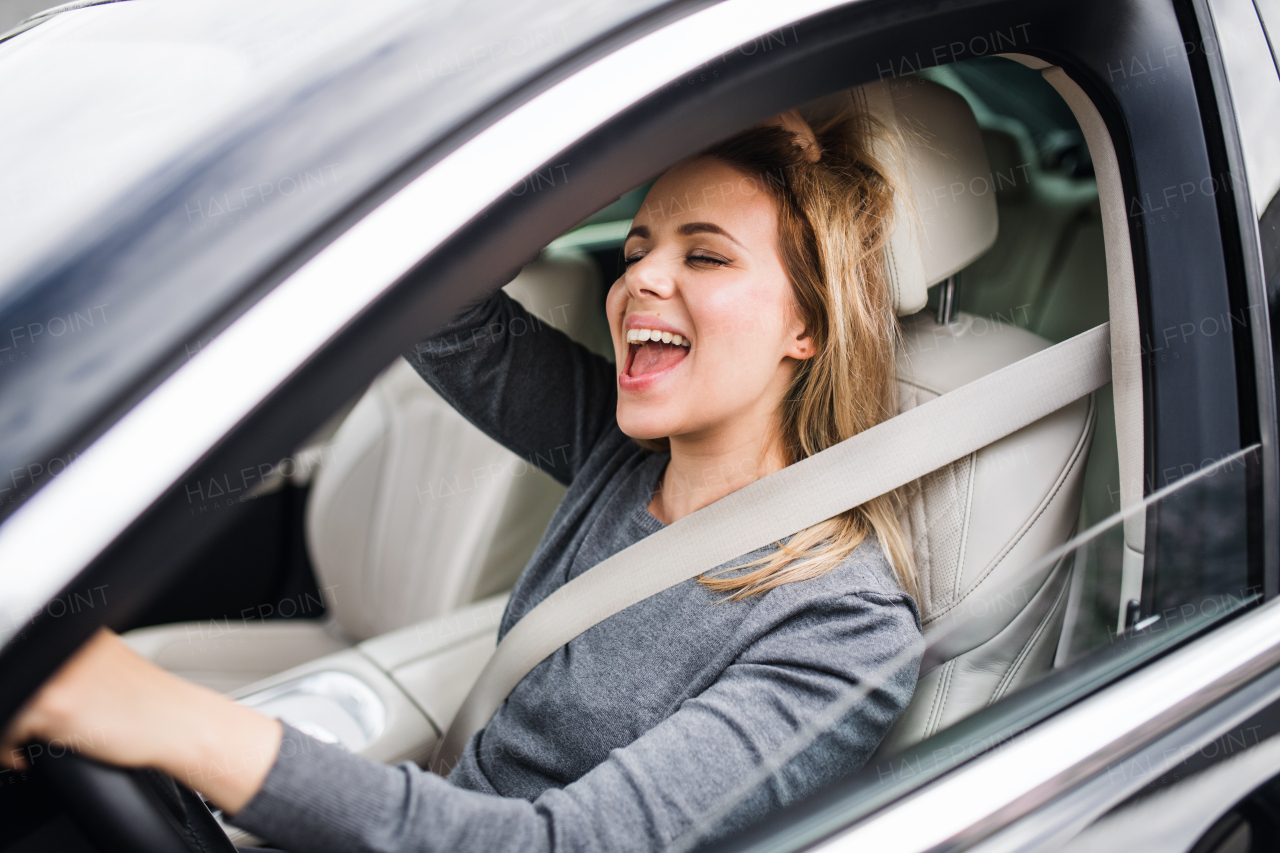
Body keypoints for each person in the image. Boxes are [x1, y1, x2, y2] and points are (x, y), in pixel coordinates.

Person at [2, 107, 924, 852]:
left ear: (809, 326)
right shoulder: (620, 454)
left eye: (706, 253)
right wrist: (614, 140)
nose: (640, 278)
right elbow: (445, 314)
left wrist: (169, 720)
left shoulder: (842, 626)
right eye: (636, 246)